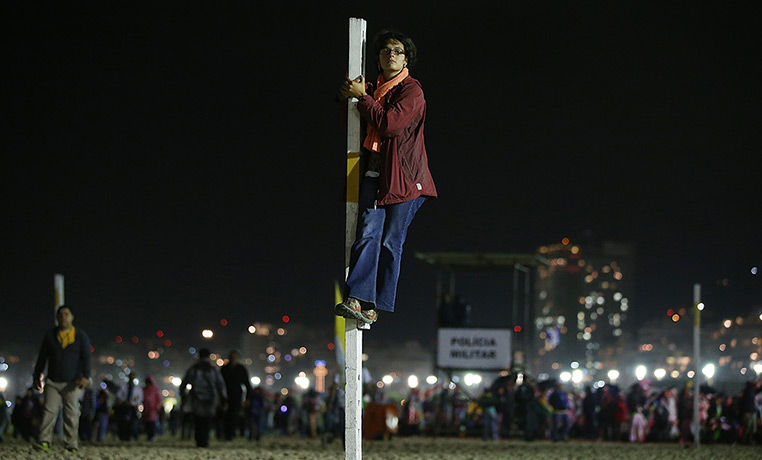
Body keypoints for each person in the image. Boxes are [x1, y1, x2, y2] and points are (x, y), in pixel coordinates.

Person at [335, 29, 437, 325]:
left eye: (397, 51)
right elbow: (351, 128)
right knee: (366, 234)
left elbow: (390, 124)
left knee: (391, 242)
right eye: (384, 51)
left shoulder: (411, 91)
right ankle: (357, 298)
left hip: (405, 180)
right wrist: (346, 98)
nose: (390, 55)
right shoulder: (368, 88)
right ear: (378, 59)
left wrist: (363, 98)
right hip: (373, 174)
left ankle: (374, 305)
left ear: (407, 59)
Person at [32, 305, 92, 453]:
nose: (63, 317)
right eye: (60, 315)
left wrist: (85, 376)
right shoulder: (50, 336)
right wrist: (36, 376)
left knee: (71, 413)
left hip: (72, 382)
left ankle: (71, 444)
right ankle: (44, 441)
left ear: (72, 317)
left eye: (66, 314)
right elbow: (42, 358)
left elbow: (86, 357)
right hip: (52, 381)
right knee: (49, 411)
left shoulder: (80, 336)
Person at [181, 348, 227, 448]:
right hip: (211, 397)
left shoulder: (194, 368)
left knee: (198, 420)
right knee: (207, 420)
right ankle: (205, 440)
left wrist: (183, 395)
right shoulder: (213, 369)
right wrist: (223, 398)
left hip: (196, 397)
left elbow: (184, 382)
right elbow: (220, 384)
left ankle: (199, 440)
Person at [220, 349, 251, 440]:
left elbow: (247, 384)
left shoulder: (241, 369)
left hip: (236, 395)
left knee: (234, 415)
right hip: (225, 395)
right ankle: (226, 433)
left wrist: (247, 398)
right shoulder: (225, 369)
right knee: (225, 415)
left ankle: (231, 434)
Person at [142, 375, 163, 441]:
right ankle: (148, 436)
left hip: (152, 410)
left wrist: (157, 408)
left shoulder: (155, 390)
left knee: (152, 423)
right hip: (145, 410)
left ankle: (151, 436)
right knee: (146, 423)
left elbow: (158, 400)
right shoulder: (144, 390)